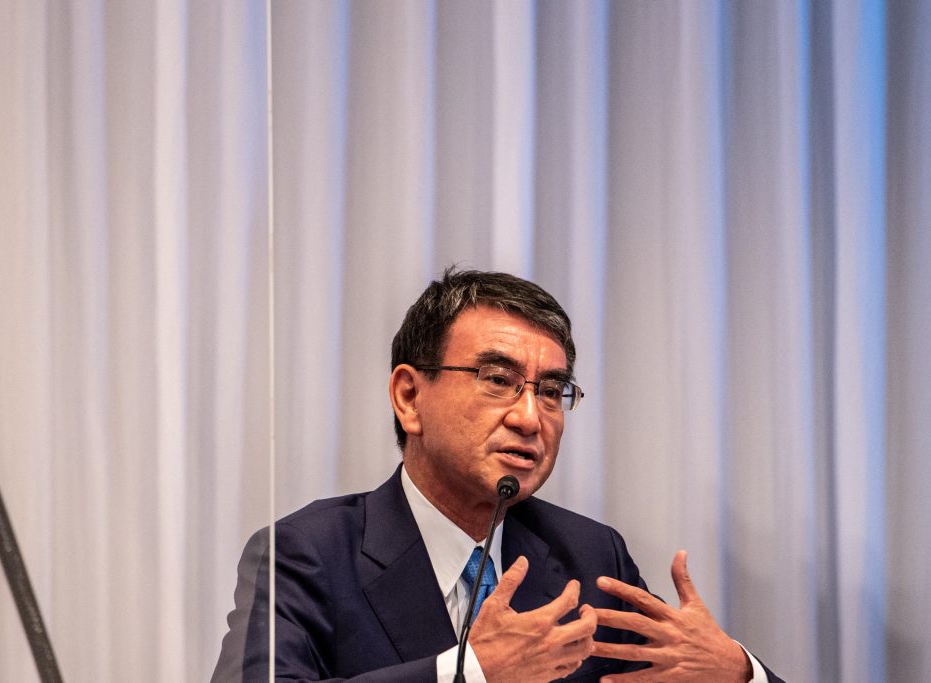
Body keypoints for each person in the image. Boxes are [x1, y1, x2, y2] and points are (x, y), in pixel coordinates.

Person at [213, 268, 783, 682]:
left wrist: (737, 673)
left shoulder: (588, 555)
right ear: (409, 396)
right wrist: (468, 674)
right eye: (496, 379)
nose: (530, 417)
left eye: (553, 392)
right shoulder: (303, 554)